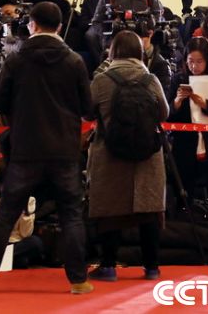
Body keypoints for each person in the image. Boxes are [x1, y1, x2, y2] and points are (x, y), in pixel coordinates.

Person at [0, 2, 92, 295]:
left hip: (25, 150)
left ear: (32, 24)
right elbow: (87, 107)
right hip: (64, 151)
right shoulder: (74, 61)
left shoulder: (16, 60)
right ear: (60, 27)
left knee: (6, 214)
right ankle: (78, 280)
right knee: (71, 215)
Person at [86, 31, 168, 282]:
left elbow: (87, 111)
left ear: (112, 51)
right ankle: (151, 268)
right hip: (147, 155)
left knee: (110, 209)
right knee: (149, 210)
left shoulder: (102, 80)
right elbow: (164, 113)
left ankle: (108, 266)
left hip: (110, 153)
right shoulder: (150, 79)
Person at [167, 37, 208, 213]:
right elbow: (168, 114)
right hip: (185, 141)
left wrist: (205, 104)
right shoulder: (179, 78)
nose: (194, 66)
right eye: (190, 61)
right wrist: (177, 102)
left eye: (199, 61)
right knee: (184, 190)